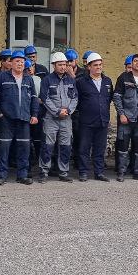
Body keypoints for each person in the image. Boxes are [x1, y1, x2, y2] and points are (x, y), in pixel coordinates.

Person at [0, 50, 40, 185]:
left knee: (24, 148)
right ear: (11, 63)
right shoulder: (2, 77)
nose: (20, 64)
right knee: (3, 148)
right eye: (17, 61)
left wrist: (34, 114)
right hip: (6, 119)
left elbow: (34, 98)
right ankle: (1, 175)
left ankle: (22, 175)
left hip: (24, 119)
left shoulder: (28, 79)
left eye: (22, 61)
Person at [37, 52, 78, 182]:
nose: (63, 67)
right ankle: (44, 172)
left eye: (64, 64)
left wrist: (68, 111)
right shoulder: (47, 80)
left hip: (66, 119)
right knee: (47, 146)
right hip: (51, 118)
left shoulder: (71, 80)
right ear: (53, 65)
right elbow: (44, 98)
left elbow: (75, 98)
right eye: (60, 64)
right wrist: (57, 111)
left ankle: (63, 173)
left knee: (66, 146)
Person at [113, 54, 138, 181]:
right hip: (126, 119)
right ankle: (121, 172)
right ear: (132, 63)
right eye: (135, 61)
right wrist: (121, 114)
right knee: (123, 148)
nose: (137, 63)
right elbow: (117, 97)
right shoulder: (123, 78)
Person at [75, 52, 113, 181]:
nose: (98, 67)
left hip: (102, 120)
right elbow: (77, 100)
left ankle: (99, 172)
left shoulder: (107, 81)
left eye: (100, 65)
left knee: (100, 148)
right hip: (86, 121)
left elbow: (108, 99)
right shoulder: (81, 82)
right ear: (89, 67)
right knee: (84, 148)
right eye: (95, 65)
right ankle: (83, 172)